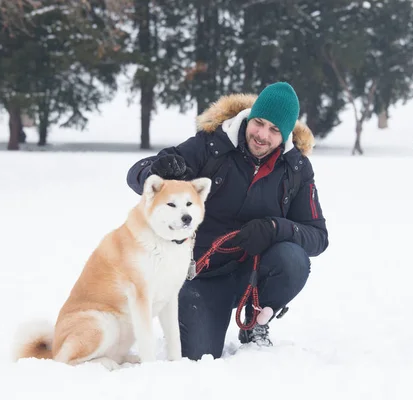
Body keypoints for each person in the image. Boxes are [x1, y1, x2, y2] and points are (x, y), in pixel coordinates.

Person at [126, 82, 329, 360]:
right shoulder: (211, 144)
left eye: (274, 130)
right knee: (197, 356)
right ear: (249, 117)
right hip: (200, 275)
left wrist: (274, 228)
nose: (262, 135)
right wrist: (155, 171)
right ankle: (194, 315)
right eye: (259, 123)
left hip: (253, 275)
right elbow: (136, 175)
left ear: (285, 136)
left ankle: (257, 321)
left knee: (293, 259)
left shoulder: (296, 168)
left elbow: (318, 237)